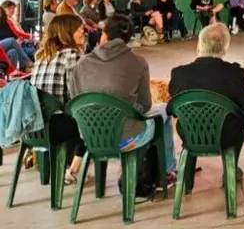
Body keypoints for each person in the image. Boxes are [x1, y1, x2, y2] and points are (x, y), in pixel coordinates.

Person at [70, 14, 177, 185]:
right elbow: (145, 105)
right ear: (128, 38)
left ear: (104, 35)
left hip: (90, 137)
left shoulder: (81, 63)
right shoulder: (138, 62)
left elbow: (75, 102)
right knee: (163, 110)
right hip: (127, 139)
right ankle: (168, 171)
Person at [169, 23, 244, 181]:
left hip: (190, 134)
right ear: (225, 47)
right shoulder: (235, 73)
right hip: (226, 135)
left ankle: (187, 182)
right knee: (243, 122)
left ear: (199, 44)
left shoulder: (179, 73)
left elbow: (173, 111)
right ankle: (231, 169)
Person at [30, 14, 87, 184]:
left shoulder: (42, 55)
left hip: (33, 126)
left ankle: (67, 165)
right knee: (93, 123)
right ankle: (72, 168)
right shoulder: (71, 55)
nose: (83, 31)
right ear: (68, 32)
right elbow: (77, 96)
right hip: (56, 127)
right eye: (79, 28)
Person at [0, 0, 34, 70]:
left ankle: (13, 74)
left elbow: (15, 32)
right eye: (10, 8)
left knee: (13, 52)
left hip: (7, 45)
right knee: (12, 41)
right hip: (5, 44)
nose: (12, 10)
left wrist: (29, 36)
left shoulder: (6, 21)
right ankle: (28, 63)